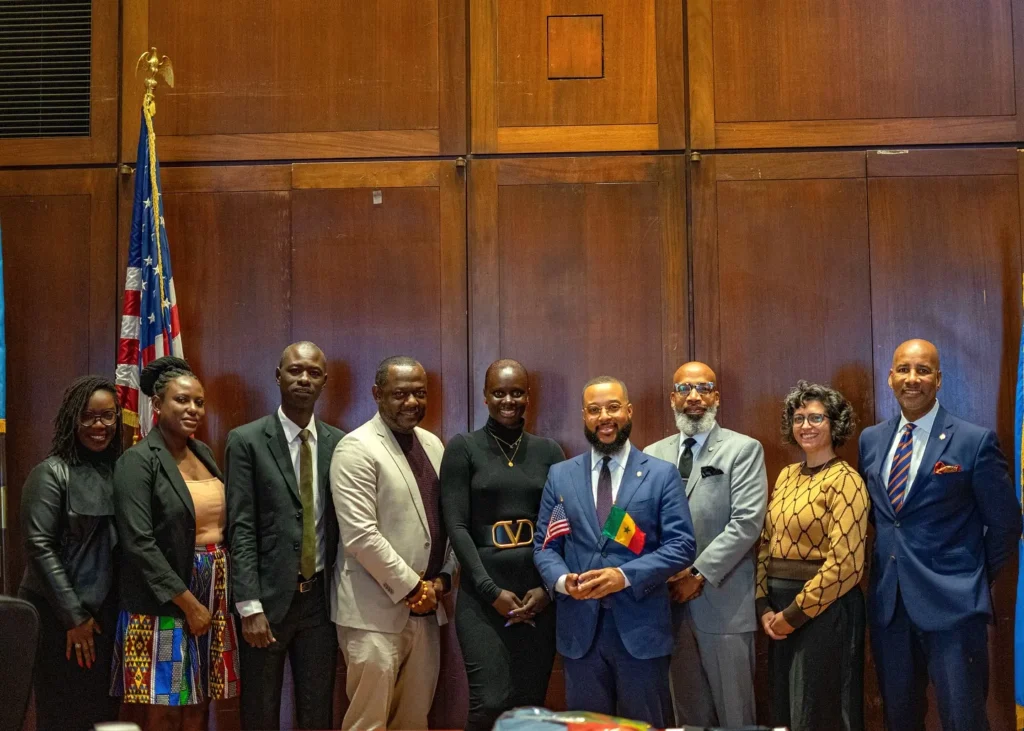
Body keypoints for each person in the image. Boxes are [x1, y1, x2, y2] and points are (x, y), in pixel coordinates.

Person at [858, 339, 1019, 731]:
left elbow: (1006, 524)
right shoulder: (871, 440)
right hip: (889, 607)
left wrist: (970, 576)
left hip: (954, 610)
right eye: (904, 369)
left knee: (963, 719)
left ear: (939, 379)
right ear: (891, 377)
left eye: (923, 370)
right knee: (900, 719)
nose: (913, 379)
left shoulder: (973, 441)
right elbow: (883, 520)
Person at [533, 376, 695, 727]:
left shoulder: (661, 475)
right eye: (594, 410)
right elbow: (545, 546)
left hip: (641, 631)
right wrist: (563, 581)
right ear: (584, 416)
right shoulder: (561, 476)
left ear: (628, 411)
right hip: (581, 635)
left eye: (612, 407)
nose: (604, 416)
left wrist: (623, 576)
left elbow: (682, 545)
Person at [111, 357, 240, 731]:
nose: (193, 409)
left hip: (213, 591)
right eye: (182, 400)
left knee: (201, 700)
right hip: (163, 598)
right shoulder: (137, 462)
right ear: (157, 404)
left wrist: (210, 604)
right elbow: (138, 542)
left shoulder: (203, 453)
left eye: (199, 402)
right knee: (165, 703)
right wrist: (188, 602)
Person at [330, 355, 456, 731]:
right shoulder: (356, 449)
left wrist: (444, 580)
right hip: (373, 614)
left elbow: (449, 522)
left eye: (419, 393)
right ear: (377, 394)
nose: (412, 402)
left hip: (427, 610)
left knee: (414, 721)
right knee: (368, 722)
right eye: (400, 394)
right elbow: (360, 535)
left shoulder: (433, 445)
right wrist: (414, 587)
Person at [440, 359, 565, 731]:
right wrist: (491, 591)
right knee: (489, 704)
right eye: (499, 392)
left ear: (528, 396)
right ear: (485, 396)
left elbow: (563, 529)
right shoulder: (463, 448)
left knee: (530, 709)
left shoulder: (549, 452)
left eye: (516, 392)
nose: (508, 400)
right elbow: (457, 526)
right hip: (483, 601)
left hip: (538, 600)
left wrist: (546, 590)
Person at [225, 342, 344, 729]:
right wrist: (249, 606)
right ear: (278, 376)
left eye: (313, 372)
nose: (303, 379)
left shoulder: (338, 443)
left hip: (320, 602)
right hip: (267, 602)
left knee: (317, 713)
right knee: (260, 712)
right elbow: (240, 527)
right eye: (295, 371)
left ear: (324, 381)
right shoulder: (247, 440)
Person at [643, 361, 767, 728]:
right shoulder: (651, 453)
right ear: (672, 399)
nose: (693, 396)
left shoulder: (743, 449)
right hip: (668, 606)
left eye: (703, 387)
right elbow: (634, 523)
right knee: (687, 716)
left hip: (723, 603)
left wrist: (697, 573)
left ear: (716, 396)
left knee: (736, 715)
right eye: (684, 389)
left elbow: (746, 523)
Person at [756, 381, 869, 731]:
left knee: (819, 711)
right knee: (785, 711)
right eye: (799, 417)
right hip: (779, 612)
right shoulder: (788, 475)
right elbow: (765, 541)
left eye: (816, 417)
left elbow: (846, 564)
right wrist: (764, 606)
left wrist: (794, 614)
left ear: (835, 425)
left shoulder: (846, 480)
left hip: (824, 612)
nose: (805, 425)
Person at [18, 376, 123, 730]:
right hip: (58, 617)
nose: (99, 426)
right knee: (64, 714)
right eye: (89, 417)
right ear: (72, 419)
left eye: (107, 416)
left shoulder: (120, 472)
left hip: (106, 618)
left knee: (103, 716)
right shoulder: (50, 474)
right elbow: (40, 548)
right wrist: (74, 618)